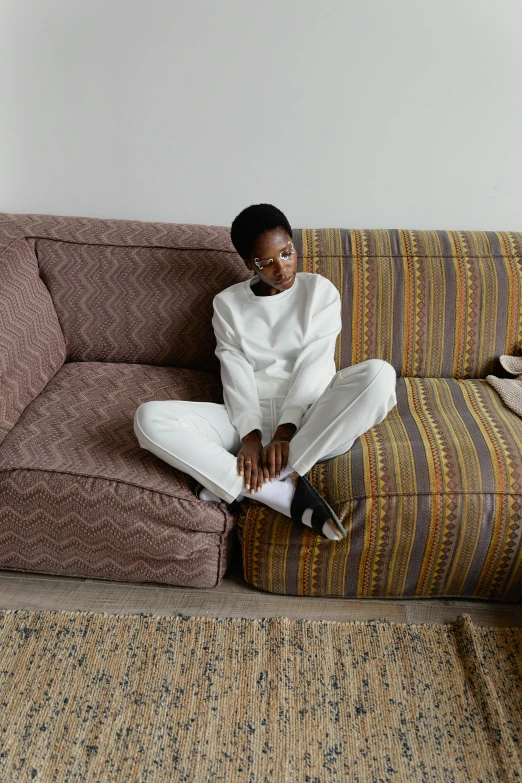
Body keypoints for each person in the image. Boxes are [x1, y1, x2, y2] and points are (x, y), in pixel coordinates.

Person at [134, 204, 397, 541]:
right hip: (244, 421)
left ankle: (274, 472)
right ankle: (280, 493)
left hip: (312, 425)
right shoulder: (227, 304)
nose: (282, 267)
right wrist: (251, 437)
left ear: (293, 244)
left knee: (379, 375)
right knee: (149, 418)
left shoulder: (319, 291)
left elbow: (314, 364)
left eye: (287, 253)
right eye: (266, 261)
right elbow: (235, 372)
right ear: (248, 264)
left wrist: (286, 432)